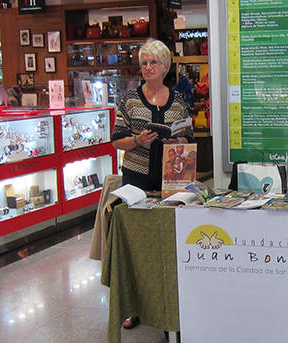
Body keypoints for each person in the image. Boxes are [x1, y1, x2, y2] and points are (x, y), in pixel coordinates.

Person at [111, 38, 194, 330]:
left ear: (165, 66)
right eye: (144, 63)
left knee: (168, 244)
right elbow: (116, 139)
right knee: (136, 247)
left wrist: (178, 140)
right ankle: (133, 307)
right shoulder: (130, 100)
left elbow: (189, 137)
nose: (148, 67)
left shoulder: (178, 101)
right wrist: (136, 140)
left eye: (153, 62)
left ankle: (171, 299)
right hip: (136, 181)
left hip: (172, 183)